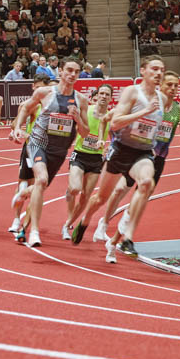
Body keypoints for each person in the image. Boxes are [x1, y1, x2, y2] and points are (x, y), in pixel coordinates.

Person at [71, 58, 168, 261]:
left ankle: (128, 238)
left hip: (142, 153)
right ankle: (85, 221)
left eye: (162, 70)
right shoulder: (132, 92)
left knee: (147, 183)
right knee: (101, 199)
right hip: (121, 150)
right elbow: (114, 123)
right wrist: (145, 111)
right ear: (143, 70)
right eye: (154, 69)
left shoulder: (162, 99)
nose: (159, 73)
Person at [9, 60, 91, 247]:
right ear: (60, 71)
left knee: (40, 187)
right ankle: (34, 233)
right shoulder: (45, 93)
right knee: (42, 180)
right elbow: (25, 107)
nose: (72, 74)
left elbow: (85, 133)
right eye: (69, 70)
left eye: (77, 72)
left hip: (59, 150)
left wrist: (77, 117)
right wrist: (18, 128)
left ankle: (24, 195)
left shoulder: (82, 100)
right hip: (39, 143)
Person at [63, 83, 113, 241]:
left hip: (96, 159)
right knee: (75, 189)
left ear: (111, 98)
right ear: (96, 96)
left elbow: (115, 137)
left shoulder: (111, 116)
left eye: (107, 94)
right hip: (80, 155)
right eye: (102, 93)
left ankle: (67, 225)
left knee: (85, 197)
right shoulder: (88, 111)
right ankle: (70, 191)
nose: (104, 96)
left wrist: (106, 147)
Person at [9, 74, 54, 236]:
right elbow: (16, 123)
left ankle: (26, 222)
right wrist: (17, 131)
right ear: (34, 87)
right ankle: (16, 220)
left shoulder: (51, 105)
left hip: (47, 150)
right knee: (23, 183)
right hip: (30, 149)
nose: (41, 90)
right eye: (38, 87)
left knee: (36, 186)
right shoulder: (30, 105)